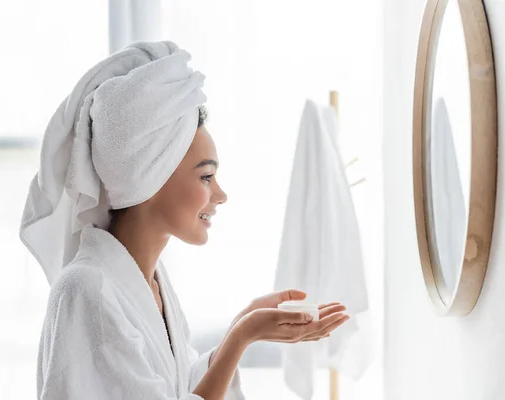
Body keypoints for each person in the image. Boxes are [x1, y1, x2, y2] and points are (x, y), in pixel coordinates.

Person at [19, 41, 350, 400]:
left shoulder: (149, 281)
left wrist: (243, 323)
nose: (220, 195)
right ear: (151, 177)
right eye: (206, 177)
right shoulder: (87, 291)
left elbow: (175, 390)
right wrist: (243, 336)